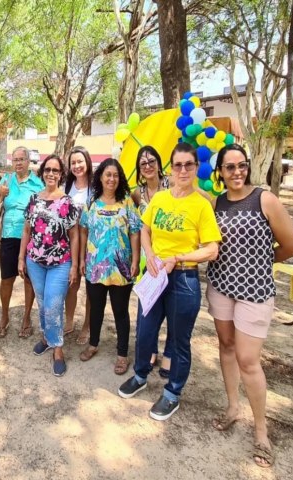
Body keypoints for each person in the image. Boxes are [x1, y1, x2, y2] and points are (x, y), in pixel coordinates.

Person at [207, 144, 293, 468]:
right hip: (220, 287)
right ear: (220, 171)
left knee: (249, 360)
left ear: (247, 167)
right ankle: (233, 407)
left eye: (241, 166)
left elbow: (292, 245)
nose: (236, 172)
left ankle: (261, 430)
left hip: (255, 291)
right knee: (227, 346)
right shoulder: (216, 203)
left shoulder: (265, 200)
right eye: (229, 167)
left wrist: (261, 261)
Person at [118, 143, 221, 422]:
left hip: (183, 278)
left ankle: (172, 392)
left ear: (196, 168)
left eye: (189, 164)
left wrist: (180, 256)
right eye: (178, 165)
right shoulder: (161, 198)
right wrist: (150, 254)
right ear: (171, 169)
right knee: (146, 331)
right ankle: (140, 375)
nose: (183, 170)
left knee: (179, 340)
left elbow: (212, 248)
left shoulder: (200, 205)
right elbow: (145, 228)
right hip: (155, 274)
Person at [79, 159, 141, 375]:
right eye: (108, 175)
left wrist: (135, 260)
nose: (111, 179)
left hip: (121, 268)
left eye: (115, 175)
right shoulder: (91, 203)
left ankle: (122, 355)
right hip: (95, 267)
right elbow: (84, 231)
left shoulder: (127, 202)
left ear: (120, 178)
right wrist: (81, 260)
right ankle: (93, 344)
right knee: (95, 309)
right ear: (101, 177)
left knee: (120, 312)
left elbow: (135, 231)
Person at [19, 155, 79, 377]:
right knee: (43, 303)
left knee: (54, 304)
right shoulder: (34, 199)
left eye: (56, 170)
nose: (51, 174)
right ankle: (46, 337)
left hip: (60, 264)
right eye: (48, 170)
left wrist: (73, 265)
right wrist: (20, 258)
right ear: (42, 172)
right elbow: (26, 230)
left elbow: (74, 236)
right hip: (34, 261)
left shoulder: (67, 202)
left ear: (61, 174)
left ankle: (58, 349)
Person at [0, 146, 43, 338]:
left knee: (29, 279)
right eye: (15, 159)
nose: (18, 163)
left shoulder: (37, 184)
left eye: (22, 159)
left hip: (30, 238)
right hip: (9, 236)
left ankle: (27, 317)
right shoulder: (7, 180)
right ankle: (4, 315)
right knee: (7, 279)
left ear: (29, 161)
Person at [132, 146, 172, 377]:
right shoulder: (138, 194)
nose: (147, 165)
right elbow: (137, 229)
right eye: (143, 163)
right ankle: (150, 350)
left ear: (159, 163)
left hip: (172, 259)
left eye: (151, 161)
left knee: (172, 312)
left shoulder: (173, 187)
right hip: (149, 262)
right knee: (148, 310)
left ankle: (169, 355)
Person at [63, 146, 93, 344]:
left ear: (87, 162)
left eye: (80, 161)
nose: (77, 166)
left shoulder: (97, 186)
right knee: (71, 284)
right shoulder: (66, 186)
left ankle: (87, 326)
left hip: (92, 244)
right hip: (69, 242)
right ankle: (69, 319)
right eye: (73, 162)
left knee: (91, 288)